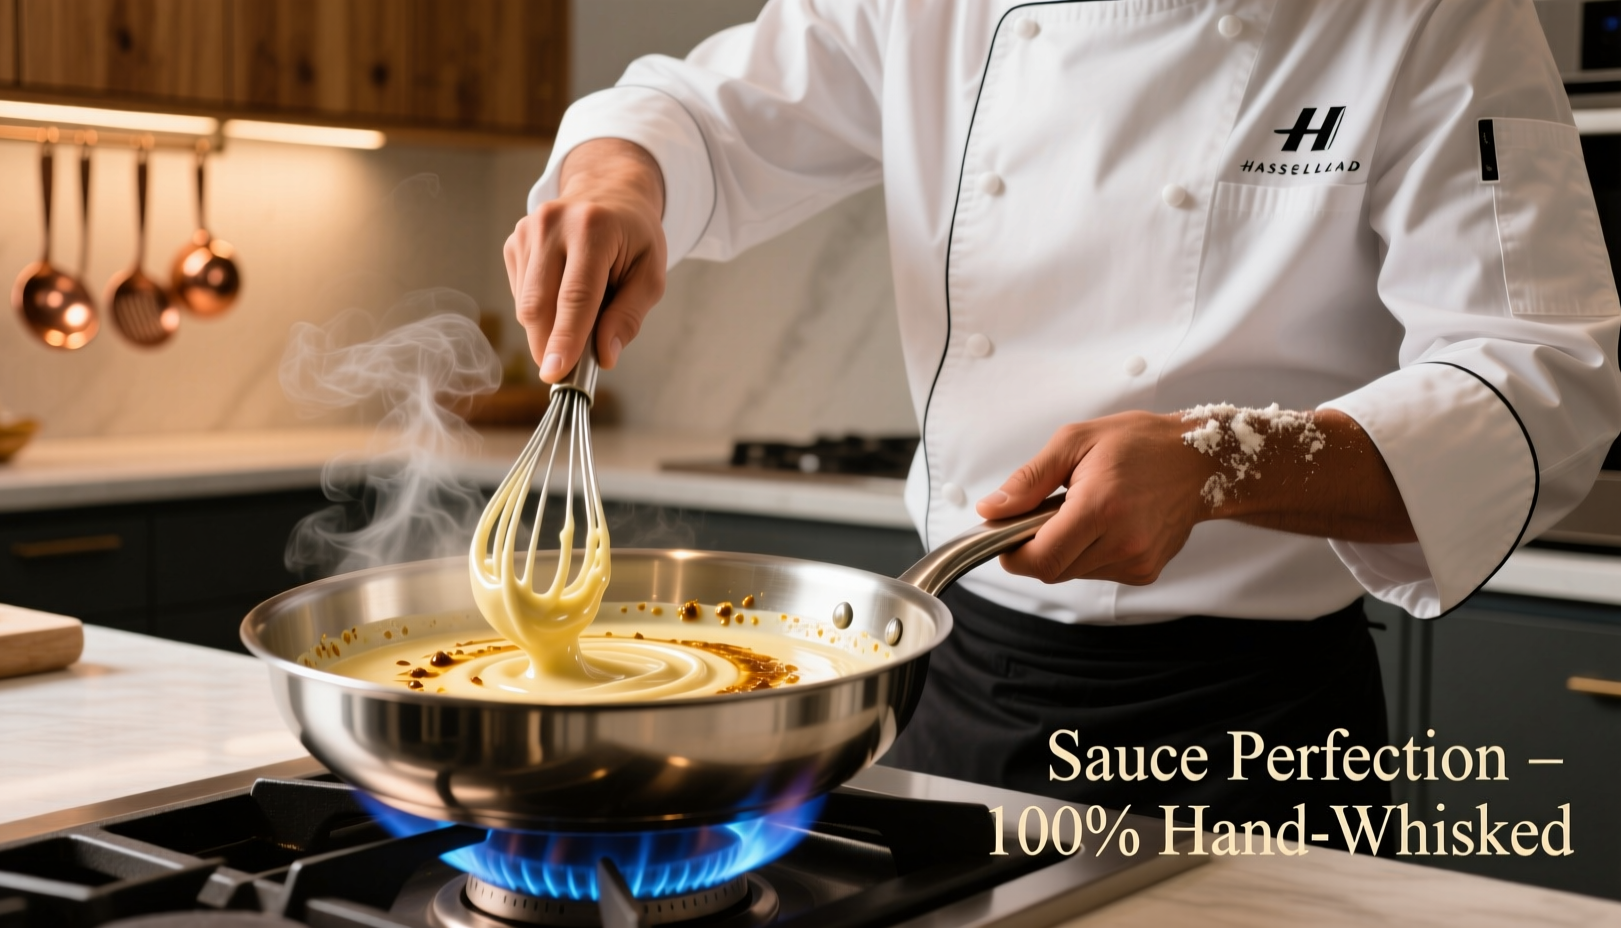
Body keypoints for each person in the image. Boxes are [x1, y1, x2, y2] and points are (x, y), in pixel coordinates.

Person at [502, 0, 1621, 839]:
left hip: (1251, 734)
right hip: (957, 684)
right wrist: (620, 175)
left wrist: (1219, 463)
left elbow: (1541, 376)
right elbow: (707, 110)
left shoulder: (1433, 14)